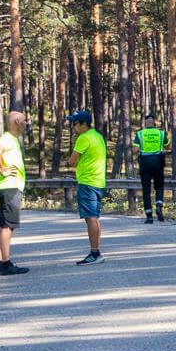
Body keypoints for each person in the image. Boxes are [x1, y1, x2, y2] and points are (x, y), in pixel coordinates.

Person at [0, 111, 30, 276]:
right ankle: (6, 263)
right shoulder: (7, 138)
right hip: (10, 187)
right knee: (8, 226)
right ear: (17, 121)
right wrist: (2, 170)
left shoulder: (12, 139)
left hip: (8, 186)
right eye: (24, 121)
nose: (26, 123)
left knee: (1, 226)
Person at [67, 108, 107, 265]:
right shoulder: (98, 136)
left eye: (75, 123)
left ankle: (95, 253)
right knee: (94, 217)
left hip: (87, 181)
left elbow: (72, 160)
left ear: (83, 124)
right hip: (98, 182)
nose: (73, 127)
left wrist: (70, 163)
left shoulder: (83, 138)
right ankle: (96, 251)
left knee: (90, 218)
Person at [133, 114, 170, 223]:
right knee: (159, 186)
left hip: (145, 163)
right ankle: (159, 204)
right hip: (158, 162)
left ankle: (149, 216)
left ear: (145, 123)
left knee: (146, 190)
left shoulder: (140, 134)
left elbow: (135, 150)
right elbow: (167, 145)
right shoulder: (161, 133)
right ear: (154, 122)